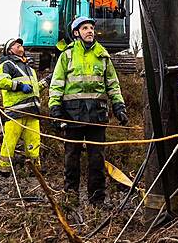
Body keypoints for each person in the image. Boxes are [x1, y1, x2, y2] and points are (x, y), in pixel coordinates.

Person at [49, 16, 128, 207]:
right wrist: (55, 109)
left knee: (97, 159)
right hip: (72, 115)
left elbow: (113, 85)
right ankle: (71, 198)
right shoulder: (66, 55)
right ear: (76, 33)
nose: (90, 31)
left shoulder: (103, 55)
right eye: (85, 28)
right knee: (71, 158)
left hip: (97, 116)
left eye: (91, 27)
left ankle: (97, 200)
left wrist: (119, 107)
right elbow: (57, 84)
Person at [0, 37, 42, 176]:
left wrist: (46, 82)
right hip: (15, 111)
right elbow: (1, 82)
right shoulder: (7, 64)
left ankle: (35, 171)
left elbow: (34, 88)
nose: (20, 46)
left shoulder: (29, 68)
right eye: (16, 44)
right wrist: (19, 86)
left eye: (21, 44)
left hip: (32, 111)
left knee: (34, 141)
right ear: (9, 50)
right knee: (10, 141)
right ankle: (3, 170)